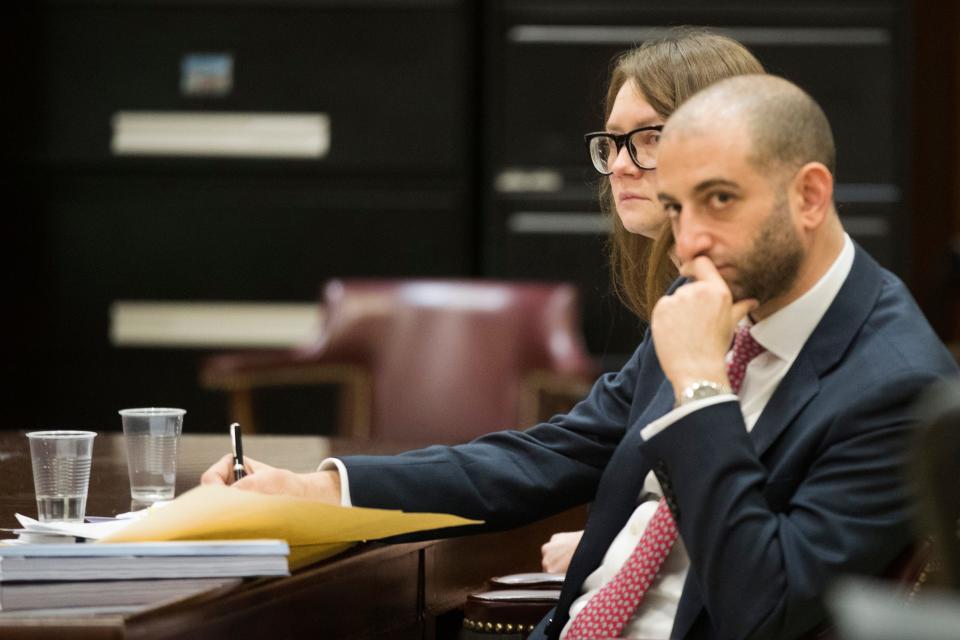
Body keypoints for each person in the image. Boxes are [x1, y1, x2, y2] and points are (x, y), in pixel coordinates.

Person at [203, 77, 958, 640]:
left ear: (810, 196)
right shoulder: (723, 297)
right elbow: (549, 454)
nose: (689, 240)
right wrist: (316, 489)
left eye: (720, 200)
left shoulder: (897, 384)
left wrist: (701, 392)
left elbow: (760, 608)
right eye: (677, 208)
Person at [544, 29, 766, 574]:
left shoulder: (777, 320)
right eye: (615, 141)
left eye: (648, 139)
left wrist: (618, 545)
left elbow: (755, 529)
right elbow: (561, 450)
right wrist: (339, 484)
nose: (620, 165)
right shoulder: (686, 298)